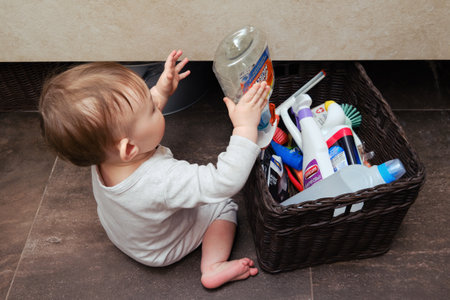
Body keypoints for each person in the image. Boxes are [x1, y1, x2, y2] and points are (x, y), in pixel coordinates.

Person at [39, 50, 270, 289]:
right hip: (163, 248)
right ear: (129, 149)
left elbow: (130, 123)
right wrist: (244, 128)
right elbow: (225, 182)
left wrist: (161, 91)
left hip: (127, 236)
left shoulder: (103, 153)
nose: (155, 105)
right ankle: (213, 265)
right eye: (152, 108)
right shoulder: (161, 179)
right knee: (223, 206)